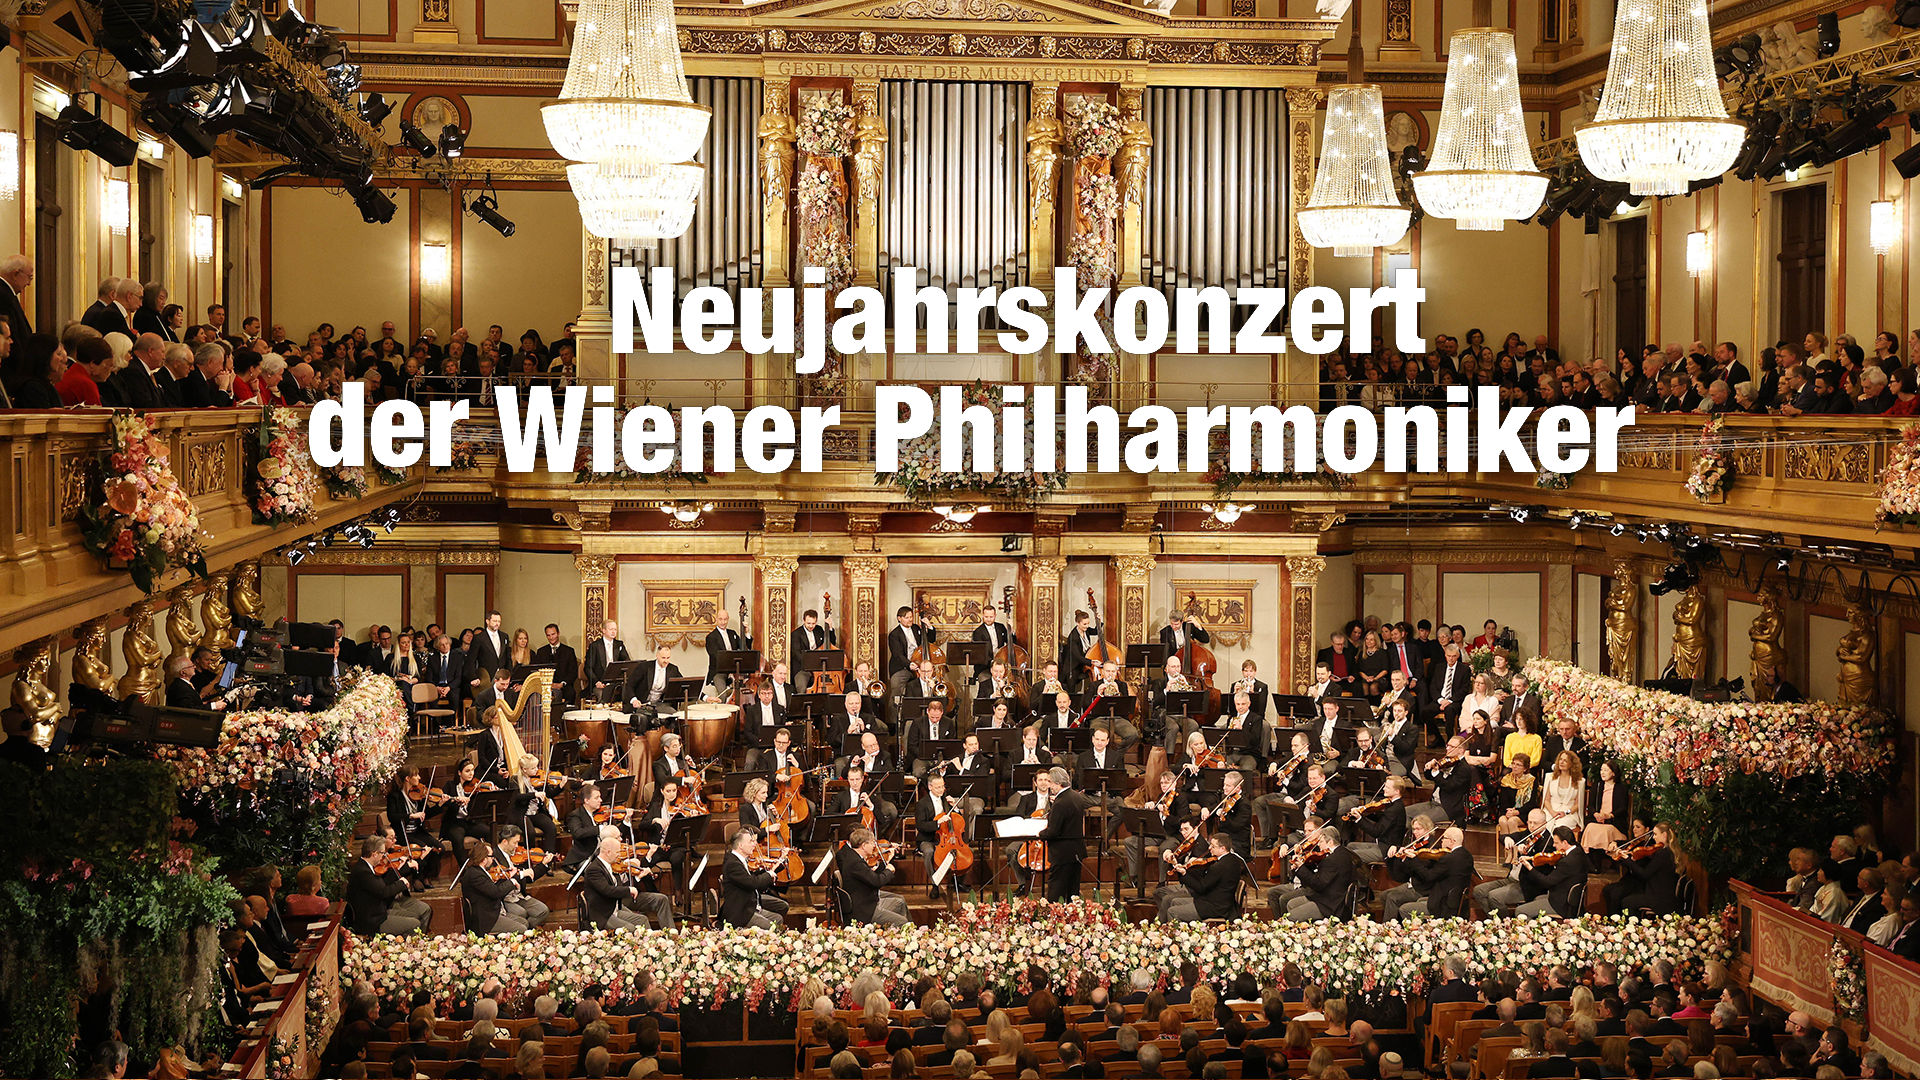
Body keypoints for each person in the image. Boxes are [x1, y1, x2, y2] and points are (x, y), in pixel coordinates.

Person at [577, 834, 674, 930]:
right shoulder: (594, 869)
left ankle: (654, 939)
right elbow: (607, 890)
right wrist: (629, 889)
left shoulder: (608, 865)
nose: (619, 855)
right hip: (603, 914)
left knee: (642, 920)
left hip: (614, 908)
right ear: (608, 852)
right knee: (630, 928)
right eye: (617, 852)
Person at [346, 835, 433, 935]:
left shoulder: (366, 867)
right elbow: (383, 891)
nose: (384, 856)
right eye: (383, 853)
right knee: (414, 924)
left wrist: (399, 870)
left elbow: (381, 886)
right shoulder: (363, 871)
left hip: (379, 913)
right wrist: (401, 884)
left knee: (417, 916)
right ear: (374, 854)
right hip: (372, 921)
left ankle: (417, 942)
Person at [837, 827, 910, 925]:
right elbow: (877, 882)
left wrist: (886, 862)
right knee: (903, 922)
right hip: (864, 910)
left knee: (900, 903)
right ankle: (907, 930)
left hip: (867, 901)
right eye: (872, 843)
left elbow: (871, 877)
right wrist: (889, 871)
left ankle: (909, 931)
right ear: (864, 845)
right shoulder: (856, 863)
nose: (874, 846)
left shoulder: (854, 856)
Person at [721, 826, 787, 928]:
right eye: (751, 841)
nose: (755, 844)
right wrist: (769, 875)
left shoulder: (738, 859)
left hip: (749, 904)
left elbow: (752, 877)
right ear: (741, 845)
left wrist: (773, 869)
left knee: (778, 918)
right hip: (741, 912)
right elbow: (752, 883)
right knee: (772, 927)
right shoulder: (732, 864)